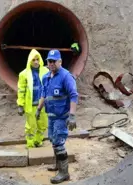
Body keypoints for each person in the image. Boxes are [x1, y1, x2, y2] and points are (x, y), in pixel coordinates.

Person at [36, 49, 78, 184]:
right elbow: (44, 94)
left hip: (62, 117)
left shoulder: (66, 76)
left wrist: (72, 115)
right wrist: (38, 109)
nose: (51, 63)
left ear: (60, 61)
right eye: (49, 61)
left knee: (59, 143)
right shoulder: (46, 77)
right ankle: (58, 165)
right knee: (53, 140)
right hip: (51, 116)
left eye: (54, 61)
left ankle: (64, 173)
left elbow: (74, 95)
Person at [17, 49, 49, 148]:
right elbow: (21, 90)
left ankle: (38, 141)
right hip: (30, 105)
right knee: (31, 126)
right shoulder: (24, 74)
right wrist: (20, 105)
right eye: (33, 60)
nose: (36, 62)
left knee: (43, 125)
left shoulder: (46, 71)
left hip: (42, 105)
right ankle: (30, 144)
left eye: (37, 59)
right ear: (29, 61)